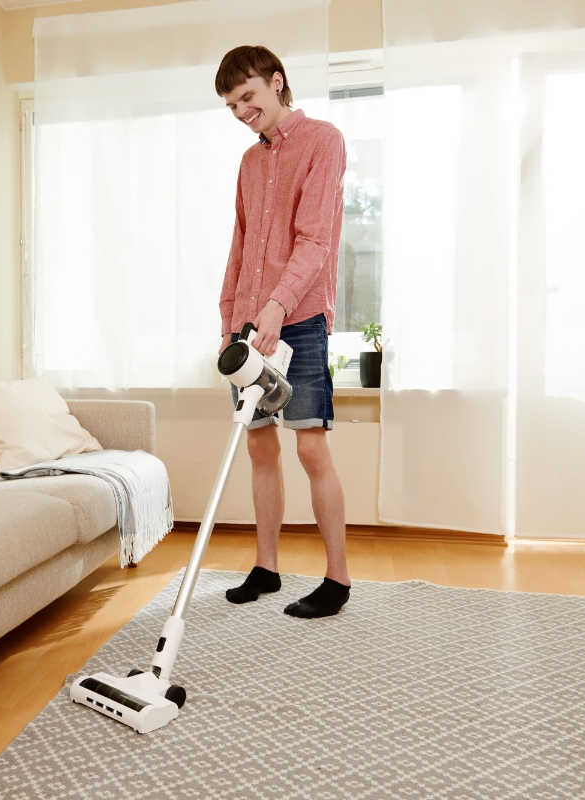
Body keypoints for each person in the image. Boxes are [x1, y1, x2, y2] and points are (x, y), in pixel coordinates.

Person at [214, 45, 350, 618]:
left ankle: (337, 579)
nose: (242, 110)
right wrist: (230, 323)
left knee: (311, 447)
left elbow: (316, 241)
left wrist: (276, 307)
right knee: (259, 445)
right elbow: (241, 247)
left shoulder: (324, 140)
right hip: (249, 325)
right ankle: (266, 567)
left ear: (277, 83)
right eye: (231, 104)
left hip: (300, 319)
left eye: (248, 96)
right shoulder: (249, 163)